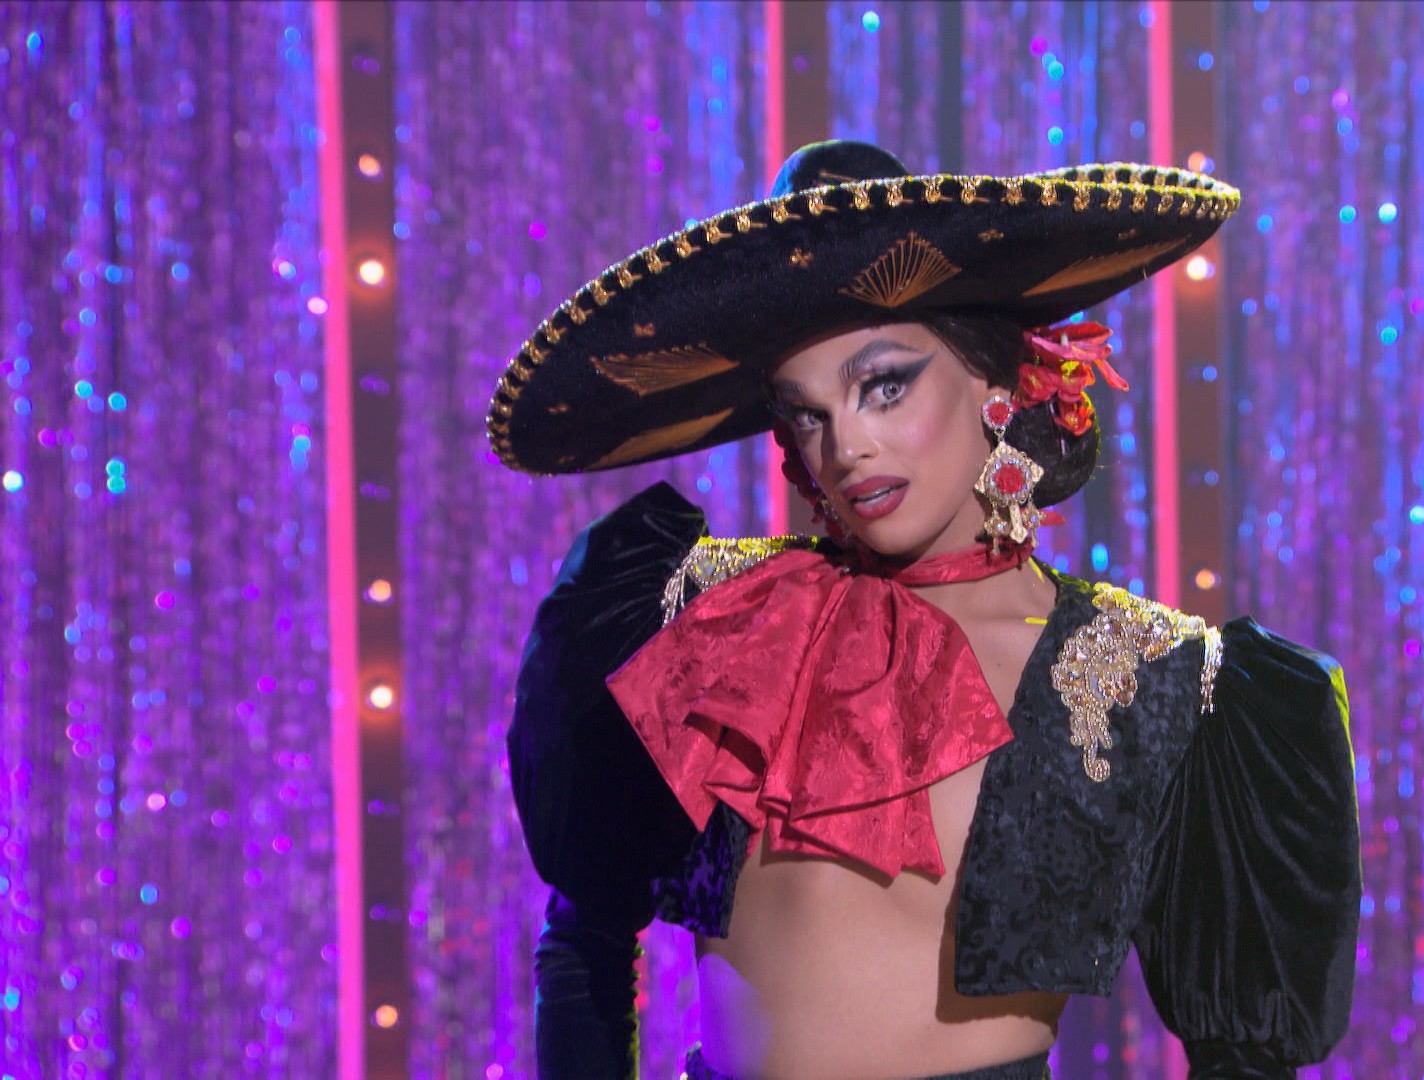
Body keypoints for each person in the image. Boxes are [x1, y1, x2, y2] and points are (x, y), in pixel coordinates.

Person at [493, 140, 1360, 1080]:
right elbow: (583, 941)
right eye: (808, 412)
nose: (847, 446)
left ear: (999, 382)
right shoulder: (695, 616)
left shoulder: (1166, 678)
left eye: (885, 385)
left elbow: (1243, 1059)